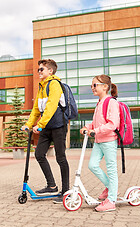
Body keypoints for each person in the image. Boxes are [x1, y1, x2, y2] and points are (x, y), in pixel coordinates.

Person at [21, 59, 69, 204]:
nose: (39, 72)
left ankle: (66, 191)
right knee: (39, 154)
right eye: (39, 70)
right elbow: (36, 109)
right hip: (46, 127)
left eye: (41, 69)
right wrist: (28, 124)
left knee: (61, 158)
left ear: (50, 71)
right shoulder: (41, 87)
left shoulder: (54, 84)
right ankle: (52, 185)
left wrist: (40, 124)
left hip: (59, 126)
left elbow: (51, 107)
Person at [80, 74, 120, 212]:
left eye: (95, 85)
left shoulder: (111, 102)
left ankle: (112, 200)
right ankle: (110, 187)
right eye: (91, 85)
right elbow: (97, 122)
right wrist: (88, 127)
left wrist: (95, 131)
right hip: (98, 141)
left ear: (105, 86)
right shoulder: (99, 103)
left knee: (111, 170)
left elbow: (113, 124)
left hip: (109, 141)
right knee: (92, 165)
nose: (92, 87)